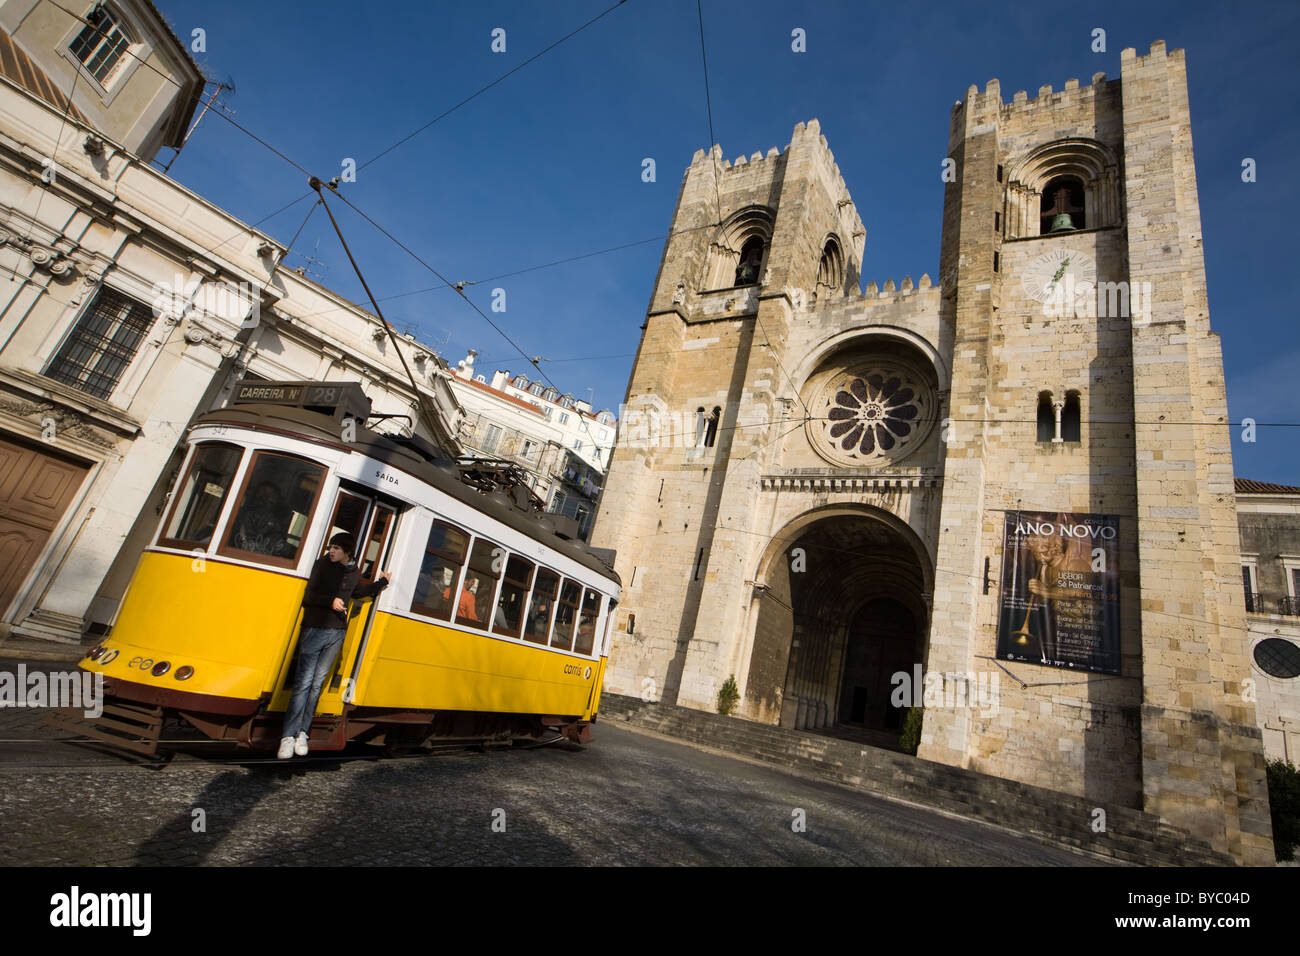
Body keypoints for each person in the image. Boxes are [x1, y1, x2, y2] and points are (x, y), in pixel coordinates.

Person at [278, 532, 391, 758]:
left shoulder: (352, 571)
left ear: (347, 552)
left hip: (337, 633)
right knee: (303, 683)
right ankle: (287, 736)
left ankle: (302, 733)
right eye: (332, 547)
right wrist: (330, 601)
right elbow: (308, 596)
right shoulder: (322, 566)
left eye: (337, 548)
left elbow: (357, 592)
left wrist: (382, 582)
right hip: (315, 629)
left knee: (316, 684)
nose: (332, 551)